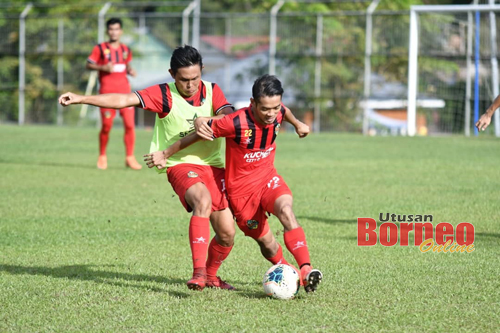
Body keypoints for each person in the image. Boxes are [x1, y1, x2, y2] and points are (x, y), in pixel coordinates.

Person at [60, 45, 236, 291]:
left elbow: (229, 116)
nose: (190, 84)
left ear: (202, 71)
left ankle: (211, 275)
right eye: (184, 79)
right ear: (172, 74)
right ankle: (198, 274)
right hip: (180, 164)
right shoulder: (163, 94)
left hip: (214, 166)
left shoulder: (212, 90)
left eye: (195, 78)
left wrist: (207, 120)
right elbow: (123, 100)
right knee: (202, 201)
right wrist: (82, 98)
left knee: (227, 234)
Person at [147, 74, 323, 293]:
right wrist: (166, 152)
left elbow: (284, 112)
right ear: (252, 103)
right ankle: (286, 268)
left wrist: (297, 124)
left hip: (268, 179)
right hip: (242, 194)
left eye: (275, 108)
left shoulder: (277, 111)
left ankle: (306, 269)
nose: (271, 114)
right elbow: (199, 133)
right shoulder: (235, 122)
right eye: (265, 109)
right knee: (267, 243)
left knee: (286, 211)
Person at [86, 18, 141, 170]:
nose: (114, 32)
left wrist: (130, 70)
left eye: (117, 29)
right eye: (111, 29)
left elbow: (126, 65)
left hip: (125, 94)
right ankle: (102, 156)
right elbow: (88, 64)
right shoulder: (100, 48)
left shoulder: (125, 50)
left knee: (130, 125)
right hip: (106, 93)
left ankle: (130, 157)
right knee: (106, 126)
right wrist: (103, 67)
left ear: (121, 31)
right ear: (107, 31)